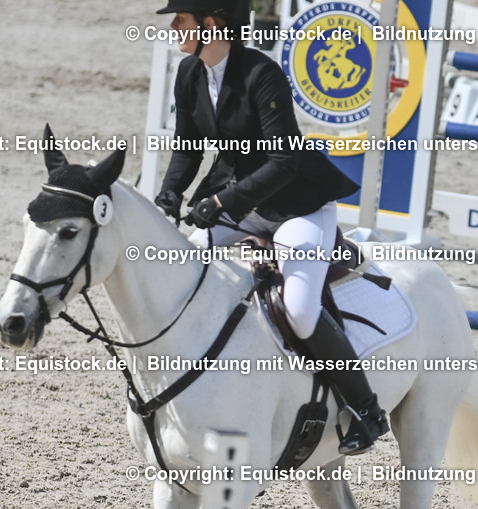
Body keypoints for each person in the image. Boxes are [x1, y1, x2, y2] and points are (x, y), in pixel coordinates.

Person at [152, 0, 388, 456]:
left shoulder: (262, 75)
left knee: (299, 311)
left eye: (181, 20)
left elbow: (285, 162)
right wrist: (171, 193)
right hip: (238, 201)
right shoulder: (189, 73)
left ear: (212, 23)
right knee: (182, 263)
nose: (174, 28)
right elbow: (187, 146)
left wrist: (221, 202)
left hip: (295, 206)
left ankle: (366, 409)